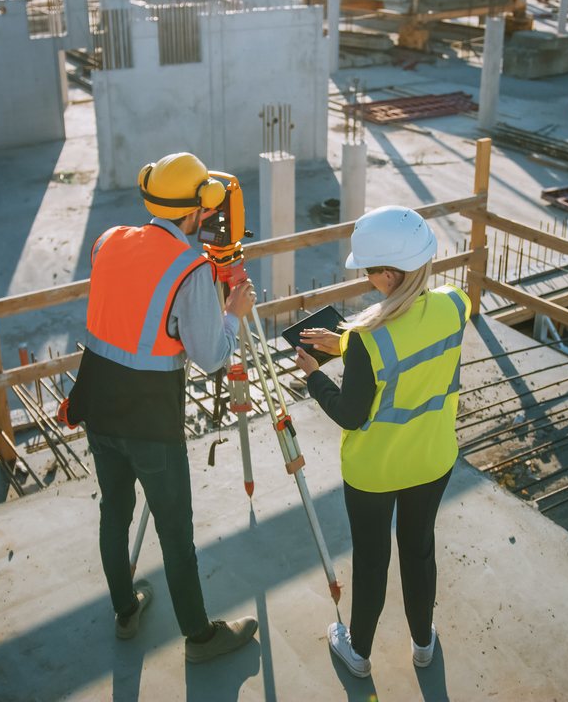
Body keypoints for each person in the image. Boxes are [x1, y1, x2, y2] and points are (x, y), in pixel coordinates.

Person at [73, 152, 259, 663]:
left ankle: (125, 609)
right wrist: (231, 313)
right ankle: (200, 638)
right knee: (176, 532)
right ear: (200, 209)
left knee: (115, 513)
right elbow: (212, 357)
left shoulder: (108, 241)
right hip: (151, 419)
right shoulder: (192, 267)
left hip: (97, 404)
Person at [295, 205, 470, 677]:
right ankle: (423, 644)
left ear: (389, 274)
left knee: (372, 562)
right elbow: (412, 341)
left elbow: (350, 414)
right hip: (432, 459)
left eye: (370, 270)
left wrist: (315, 376)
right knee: (419, 550)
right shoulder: (456, 305)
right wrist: (348, 343)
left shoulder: (369, 340)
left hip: (375, 472)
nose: (368, 278)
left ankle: (359, 654)